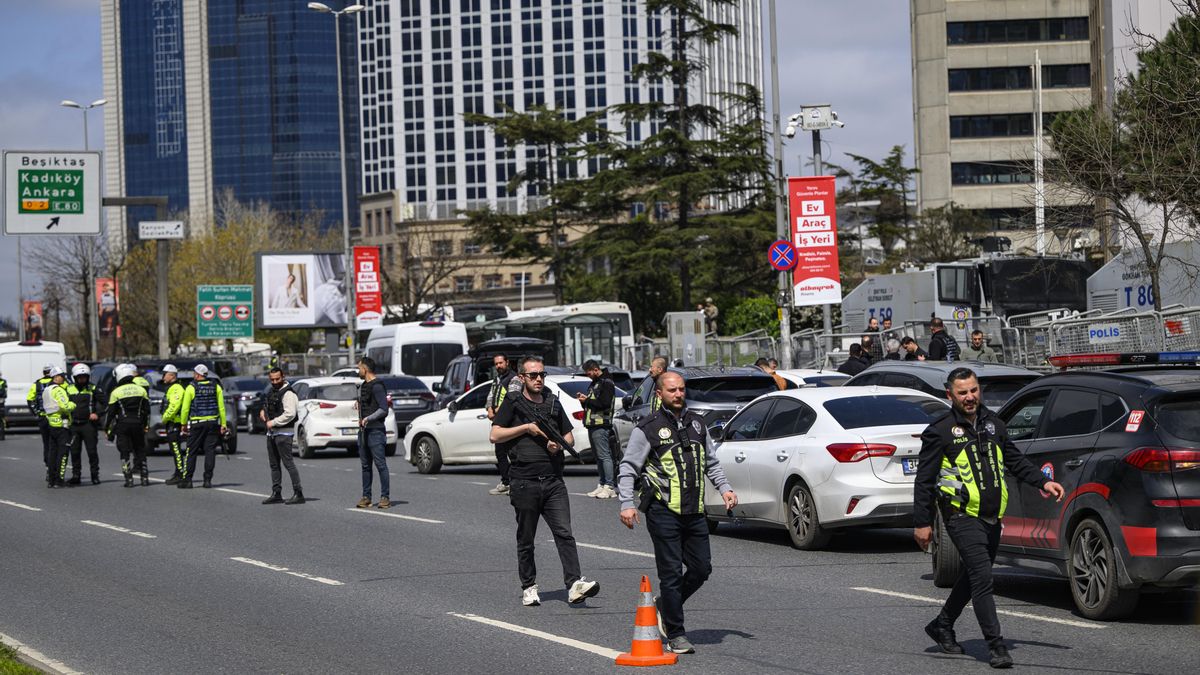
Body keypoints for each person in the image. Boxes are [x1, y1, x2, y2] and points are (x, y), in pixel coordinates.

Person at [913, 367, 1065, 669]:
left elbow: (1014, 459)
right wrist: (922, 522)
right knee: (983, 579)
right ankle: (995, 646)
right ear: (950, 395)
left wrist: (1042, 481)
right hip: (960, 516)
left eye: (973, 390)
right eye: (962, 393)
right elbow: (924, 480)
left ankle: (943, 624)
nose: (969, 397)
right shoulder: (940, 431)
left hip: (992, 517)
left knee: (972, 576)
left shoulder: (994, 423)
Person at [617, 371, 737, 655]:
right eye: (672, 390)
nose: (679, 394)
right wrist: (626, 503)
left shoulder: (697, 423)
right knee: (670, 574)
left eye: (682, 389)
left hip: (695, 511)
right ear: (659, 394)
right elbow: (628, 467)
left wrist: (725, 488)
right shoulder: (646, 427)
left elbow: (710, 461)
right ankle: (676, 633)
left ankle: (665, 605)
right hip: (662, 510)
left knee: (701, 568)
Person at [490, 355, 600, 607]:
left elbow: (569, 437)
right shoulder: (513, 402)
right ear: (522, 377)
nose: (539, 379)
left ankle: (574, 584)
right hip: (524, 481)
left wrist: (557, 446)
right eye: (533, 375)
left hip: (553, 481)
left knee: (564, 533)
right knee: (526, 539)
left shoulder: (552, 401)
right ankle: (529, 585)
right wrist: (526, 428)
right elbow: (495, 434)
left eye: (541, 374)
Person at [260, 367, 305, 505]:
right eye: (272, 379)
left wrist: (272, 422)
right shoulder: (273, 391)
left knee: (288, 463)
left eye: (277, 379)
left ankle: (298, 493)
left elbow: (290, 413)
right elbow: (268, 405)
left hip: (284, 433)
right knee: (274, 465)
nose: (274, 382)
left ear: (283, 377)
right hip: (272, 433)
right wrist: (263, 412)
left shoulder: (288, 393)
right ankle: (276, 493)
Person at [179, 364, 226, 489]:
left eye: (194, 373)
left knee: (191, 451)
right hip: (212, 423)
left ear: (198, 374)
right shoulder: (216, 387)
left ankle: (188, 480)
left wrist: (183, 424)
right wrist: (223, 424)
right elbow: (221, 407)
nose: (193, 375)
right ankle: (207, 480)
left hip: (196, 423)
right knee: (210, 452)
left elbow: (185, 409)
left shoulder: (191, 387)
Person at [577, 359, 617, 499]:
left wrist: (586, 400)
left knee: (604, 455)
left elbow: (604, 403)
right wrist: (585, 400)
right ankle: (602, 484)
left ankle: (609, 486)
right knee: (598, 456)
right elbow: (594, 403)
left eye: (589, 373)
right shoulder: (596, 382)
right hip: (592, 423)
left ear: (595, 369)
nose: (588, 376)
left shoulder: (606, 382)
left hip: (601, 423)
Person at [105, 363, 150, 488]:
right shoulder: (141, 390)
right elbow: (147, 411)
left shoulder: (116, 392)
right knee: (140, 450)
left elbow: (111, 414)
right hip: (138, 424)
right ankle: (144, 478)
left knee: (124, 452)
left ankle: (129, 479)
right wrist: (146, 425)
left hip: (123, 425)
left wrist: (107, 429)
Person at [355, 356, 391, 509]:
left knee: (380, 465)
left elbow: (384, 409)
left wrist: (368, 418)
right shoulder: (364, 385)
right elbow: (368, 403)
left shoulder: (377, 386)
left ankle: (385, 497)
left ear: (365, 369)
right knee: (365, 466)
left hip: (375, 431)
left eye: (359, 368)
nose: (358, 371)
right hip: (363, 432)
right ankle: (366, 497)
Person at [65, 363, 103, 485]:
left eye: (85, 377)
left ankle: (95, 475)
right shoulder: (68, 389)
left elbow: (107, 403)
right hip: (73, 425)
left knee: (92, 451)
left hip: (88, 425)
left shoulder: (93, 388)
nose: (82, 380)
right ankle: (76, 476)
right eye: (80, 377)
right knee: (75, 452)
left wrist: (98, 414)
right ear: (74, 378)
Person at [486, 354, 517, 496]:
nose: (498, 366)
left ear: (507, 362)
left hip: (509, 421)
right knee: (500, 454)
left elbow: (513, 398)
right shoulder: (497, 379)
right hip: (498, 421)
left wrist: (498, 410)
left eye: (501, 363)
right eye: (496, 363)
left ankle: (515, 484)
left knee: (513, 453)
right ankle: (506, 482)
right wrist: (490, 409)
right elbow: (491, 396)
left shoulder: (513, 378)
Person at [42, 366, 75, 488]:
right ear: (56, 377)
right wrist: (73, 404)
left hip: (51, 424)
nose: (64, 378)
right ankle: (59, 480)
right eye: (62, 376)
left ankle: (51, 480)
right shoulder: (59, 390)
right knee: (63, 453)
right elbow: (66, 406)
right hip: (62, 425)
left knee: (52, 453)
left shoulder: (47, 390)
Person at [27, 364, 55, 479]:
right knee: (57, 443)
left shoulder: (36, 384)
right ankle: (56, 468)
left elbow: (30, 400)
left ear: (43, 373)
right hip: (55, 417)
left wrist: (36, 413)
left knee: (47, 444)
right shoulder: (58, 383)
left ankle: (48, 468)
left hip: (43, 418)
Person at [161, 364, 186, 484]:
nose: (163, 377)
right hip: (172, 423)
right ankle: (178, 472)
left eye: (164, 374)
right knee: (174, 449)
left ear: (172, 375)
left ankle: (180, 474)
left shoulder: (176, 388)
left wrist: (165, 418)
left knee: (176, 449)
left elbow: (174, 406)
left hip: (175, 423)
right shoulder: (172, 387)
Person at [0, 370, 7, 441]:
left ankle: (2, 436)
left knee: (1, 420)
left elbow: (4, 393)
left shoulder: (3, 382)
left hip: (1, 403)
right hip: (1, 402)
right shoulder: (3, 382)